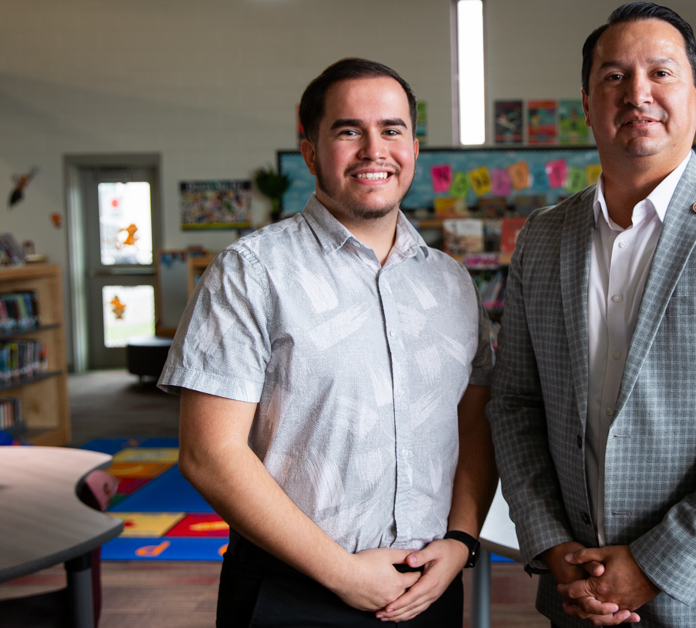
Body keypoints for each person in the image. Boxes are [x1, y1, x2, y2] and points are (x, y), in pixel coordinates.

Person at [487, 3, 696, 626]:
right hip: (578, 591)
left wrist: (653, 564)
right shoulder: (541, 237)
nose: (637, 93)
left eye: (661, 73)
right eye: (614, 77)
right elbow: (516, 402)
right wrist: (550, 544)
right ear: (588, 103)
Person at [160, 57, 496, 627]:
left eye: (392, 130)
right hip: (291, 595)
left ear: (414, 147)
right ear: (311, 151)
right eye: (348, 131)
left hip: (428, 589)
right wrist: (344, 573)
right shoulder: (251, 272)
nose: (374, 150)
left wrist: (462, 539)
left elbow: (474, 421)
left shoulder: (451, 282)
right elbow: (208, 454)